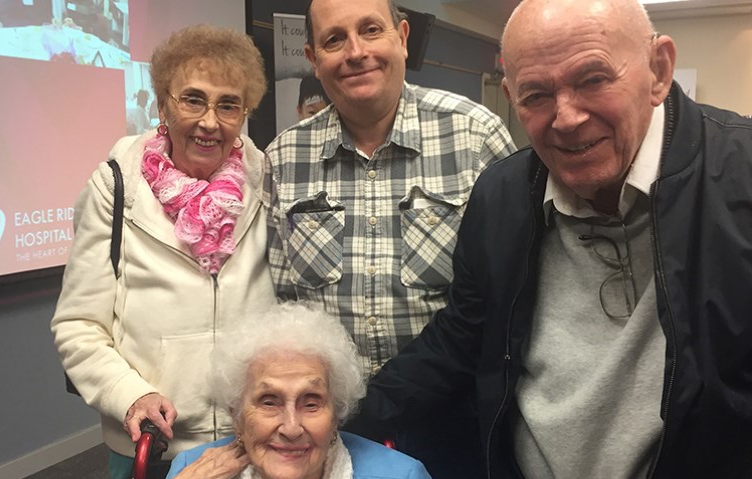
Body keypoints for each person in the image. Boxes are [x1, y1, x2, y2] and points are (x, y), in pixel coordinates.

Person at [345, 0, 752, 477]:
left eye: (593, 79)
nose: (567, 118)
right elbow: (461, 335)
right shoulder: (501, 195)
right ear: (511, 95)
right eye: (536, 95)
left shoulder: (740, 179)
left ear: (659, 71)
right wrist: (332, 419)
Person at [263, 0, 515, 476]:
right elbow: (285, 302)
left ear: (401, 38)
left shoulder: (474, 135)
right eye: (335, 40)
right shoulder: (285, 157)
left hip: (456, 416)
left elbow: (508, 296)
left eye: (371, 30)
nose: (356, 52)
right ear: (314, 59)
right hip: (335, 425)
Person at [51, 25, 275, 478]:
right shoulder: (116, 190)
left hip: (252, 439)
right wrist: (131, 394)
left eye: (229, 104)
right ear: (161, 104)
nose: (210, 121)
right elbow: (78, 325)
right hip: (152, 446)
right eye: (193, 99)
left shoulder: (267, 185)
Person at [166, 302, 431, 479]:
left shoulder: (402, 475)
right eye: (269, 402)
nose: (291, 428)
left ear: (336, 414)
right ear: (236, 414)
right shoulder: (192, 468)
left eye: (311, 403)